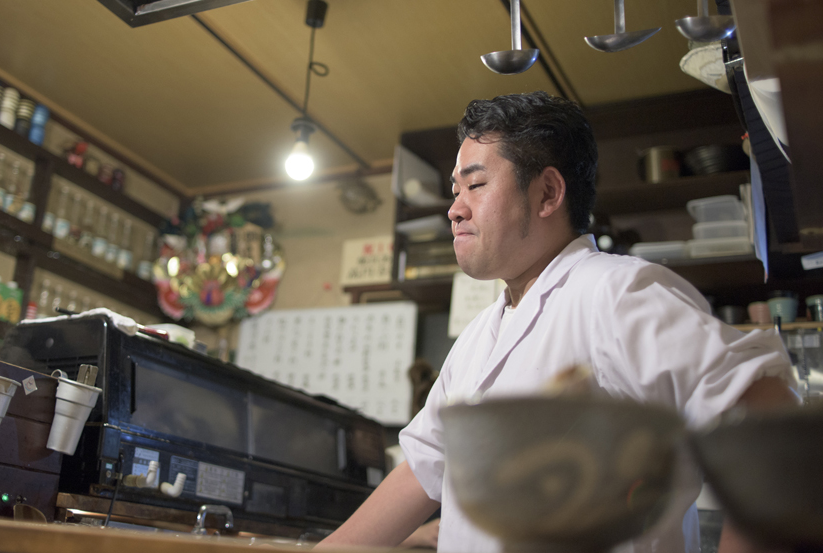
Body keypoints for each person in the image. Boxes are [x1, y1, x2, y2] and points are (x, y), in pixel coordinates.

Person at [316, 91, 798, 553]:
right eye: (456, 190)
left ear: (548, 193)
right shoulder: (479, 336)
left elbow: (765, 411)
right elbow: (421, 469)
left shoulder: (615, 292)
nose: (455, 208)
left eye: (477, 185)